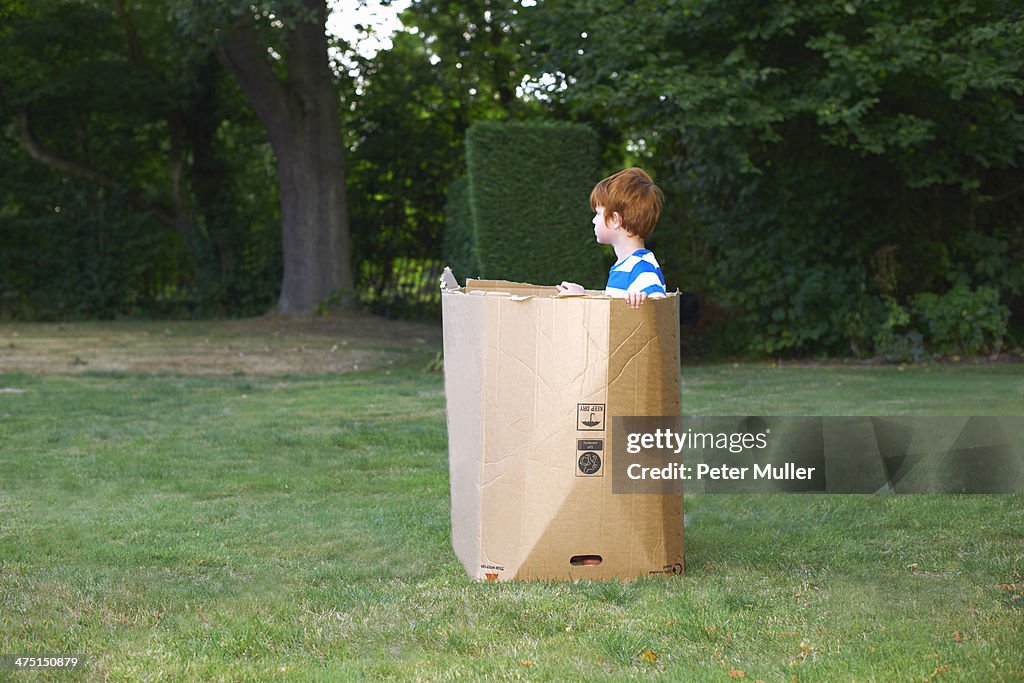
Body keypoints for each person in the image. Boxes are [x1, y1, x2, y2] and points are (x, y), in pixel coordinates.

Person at [556, 167, 666, 309]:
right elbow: (611, 311)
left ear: (615, 220)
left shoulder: (641, 266)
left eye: (598, 213)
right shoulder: (624, 265)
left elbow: (660, 306)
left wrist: (644, 300)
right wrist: (582, 296)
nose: (594, 220)